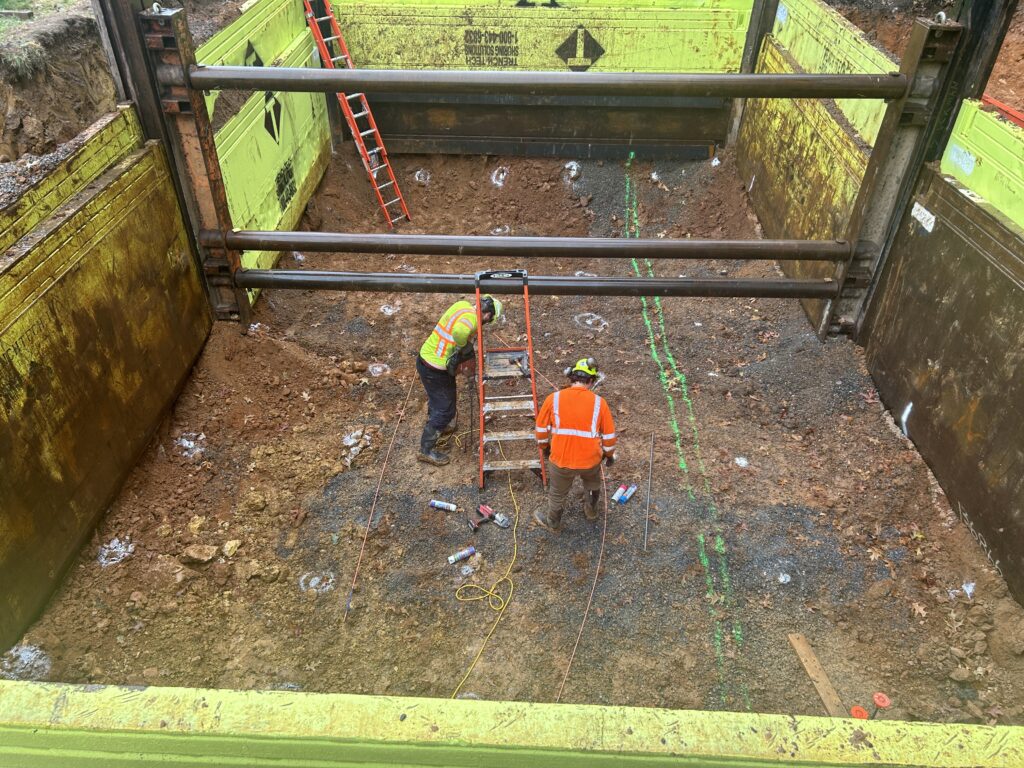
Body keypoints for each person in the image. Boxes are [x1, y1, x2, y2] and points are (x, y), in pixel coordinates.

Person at [416, 295, 503, 466]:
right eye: (489, 320)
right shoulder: (473, 319)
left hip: (426, 358)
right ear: (488, 315)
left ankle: (441, 424)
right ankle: (425, 451)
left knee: (439, 397)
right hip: (435, 369)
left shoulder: (462, 305)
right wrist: (464, 346)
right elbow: (459, 332)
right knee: (446, 410)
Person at [533, 357, 616, 532]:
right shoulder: (600, 403)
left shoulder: (553, 399)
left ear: (571, 378)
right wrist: (608, 456)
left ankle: (553, 522)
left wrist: (545, 448)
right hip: (591, 461)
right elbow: (609, 438)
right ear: (591, 381)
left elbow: (541, 432)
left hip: (561, 460)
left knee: (557, 492)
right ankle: (591, 512)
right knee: (593, 485)